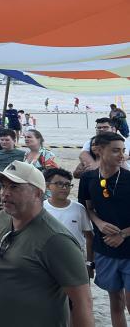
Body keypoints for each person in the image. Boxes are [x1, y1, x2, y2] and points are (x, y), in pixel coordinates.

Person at [0, 161, 93, 327]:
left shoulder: (57, 240)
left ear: (37, 193)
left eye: (14, 187)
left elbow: (82, 303)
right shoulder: (2, 218)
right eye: (3, 186)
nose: (5, 193)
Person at [79, 132, 130, 326]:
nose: (121, 155)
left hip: (128, 246)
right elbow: (88, 208)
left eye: (123, 151)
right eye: (115, 150)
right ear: (99, 150)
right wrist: (99, 223)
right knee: (115, 301)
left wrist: (123, 234)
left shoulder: (128, 178)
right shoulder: (89, 178)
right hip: (105, 248)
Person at [43, 168, 94, 284]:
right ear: (47, 186)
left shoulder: (79, 209)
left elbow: (90, 237)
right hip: (48, 262)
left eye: (67, 184)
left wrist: (89, 263)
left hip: (75, 262)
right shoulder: (41, 209)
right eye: (59, 184)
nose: (64, 188)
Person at [0, 129, 25, 194]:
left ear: (14, 141)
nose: (4, 142)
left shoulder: (22, 154)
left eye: (7, 140)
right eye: (2, 140)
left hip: (13, 189)